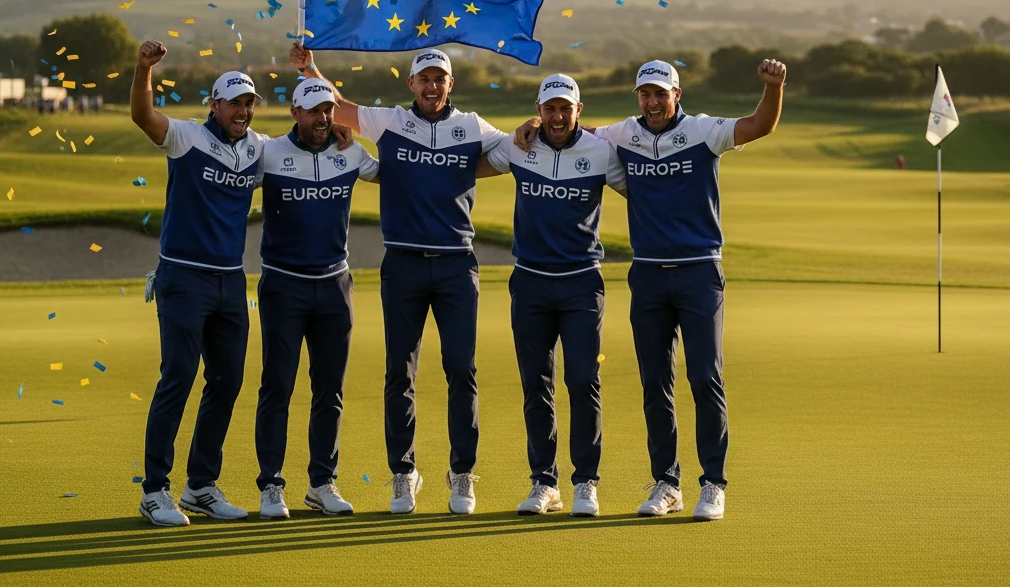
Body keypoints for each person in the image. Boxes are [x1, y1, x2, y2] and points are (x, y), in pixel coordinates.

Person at [516, 57, 786, 521]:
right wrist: (534, 124)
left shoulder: (704, 131)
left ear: (676, 95)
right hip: (648, 275)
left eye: (661, 94)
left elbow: (759, 126)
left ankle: (713, 484)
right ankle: (667, 483)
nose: (653, 101)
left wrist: (774, 87)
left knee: (705, 377)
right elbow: (569, 128)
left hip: (699, 271)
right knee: (655, 383)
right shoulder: (622, 135)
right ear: (637, 97)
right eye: (645, 94)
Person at [130, 39, 352, 526]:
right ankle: (154, 489)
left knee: (226, 383)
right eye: (234, 102)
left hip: (231, 282)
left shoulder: (259, 150)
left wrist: (335, 133)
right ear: (215, 104)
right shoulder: (186, 137)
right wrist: (143, 69)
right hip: (184, 277)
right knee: (178, 379)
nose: (243, 111)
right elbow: (144, 117)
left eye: (250, 103)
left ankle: (200, 485)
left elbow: (306, 139)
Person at [290, 43, 507, 515]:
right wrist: (310, 69)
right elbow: (340, 108)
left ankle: (462, 473)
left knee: (461, 370)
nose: (432, 86)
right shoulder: (389, 121)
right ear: (411, 84)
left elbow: (517, 149)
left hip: (456, 264)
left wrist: (478, 163)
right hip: (404, 263)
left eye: (440, 79)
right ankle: (403, 472)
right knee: (399, 372)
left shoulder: (472, 127)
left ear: (450, 85)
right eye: (424, 79)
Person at [478, 74, 626, 517]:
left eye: (565, 108)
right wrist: (516, 131)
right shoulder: (520, 146)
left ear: (578, 110)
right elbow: (469, 164)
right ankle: (545, 482)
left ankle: (585, 482)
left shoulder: (602, 152)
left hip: (582, 281)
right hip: (530, 282)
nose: (557, 116)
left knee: (583, 380)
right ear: (539, 110)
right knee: (536, 384)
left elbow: (645, 192)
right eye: (549, 108)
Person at [253, 78, 379, 520]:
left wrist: (355, 139)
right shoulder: (268, 153)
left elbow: (394, 174)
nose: (323, 118)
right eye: (314, 111)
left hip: (334, 286)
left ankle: (322, 482)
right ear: (295, 114)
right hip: (283, 285)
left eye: (328, 110)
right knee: (278, 387)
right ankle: (271, 484)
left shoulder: (349, 152)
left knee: (329, 390)